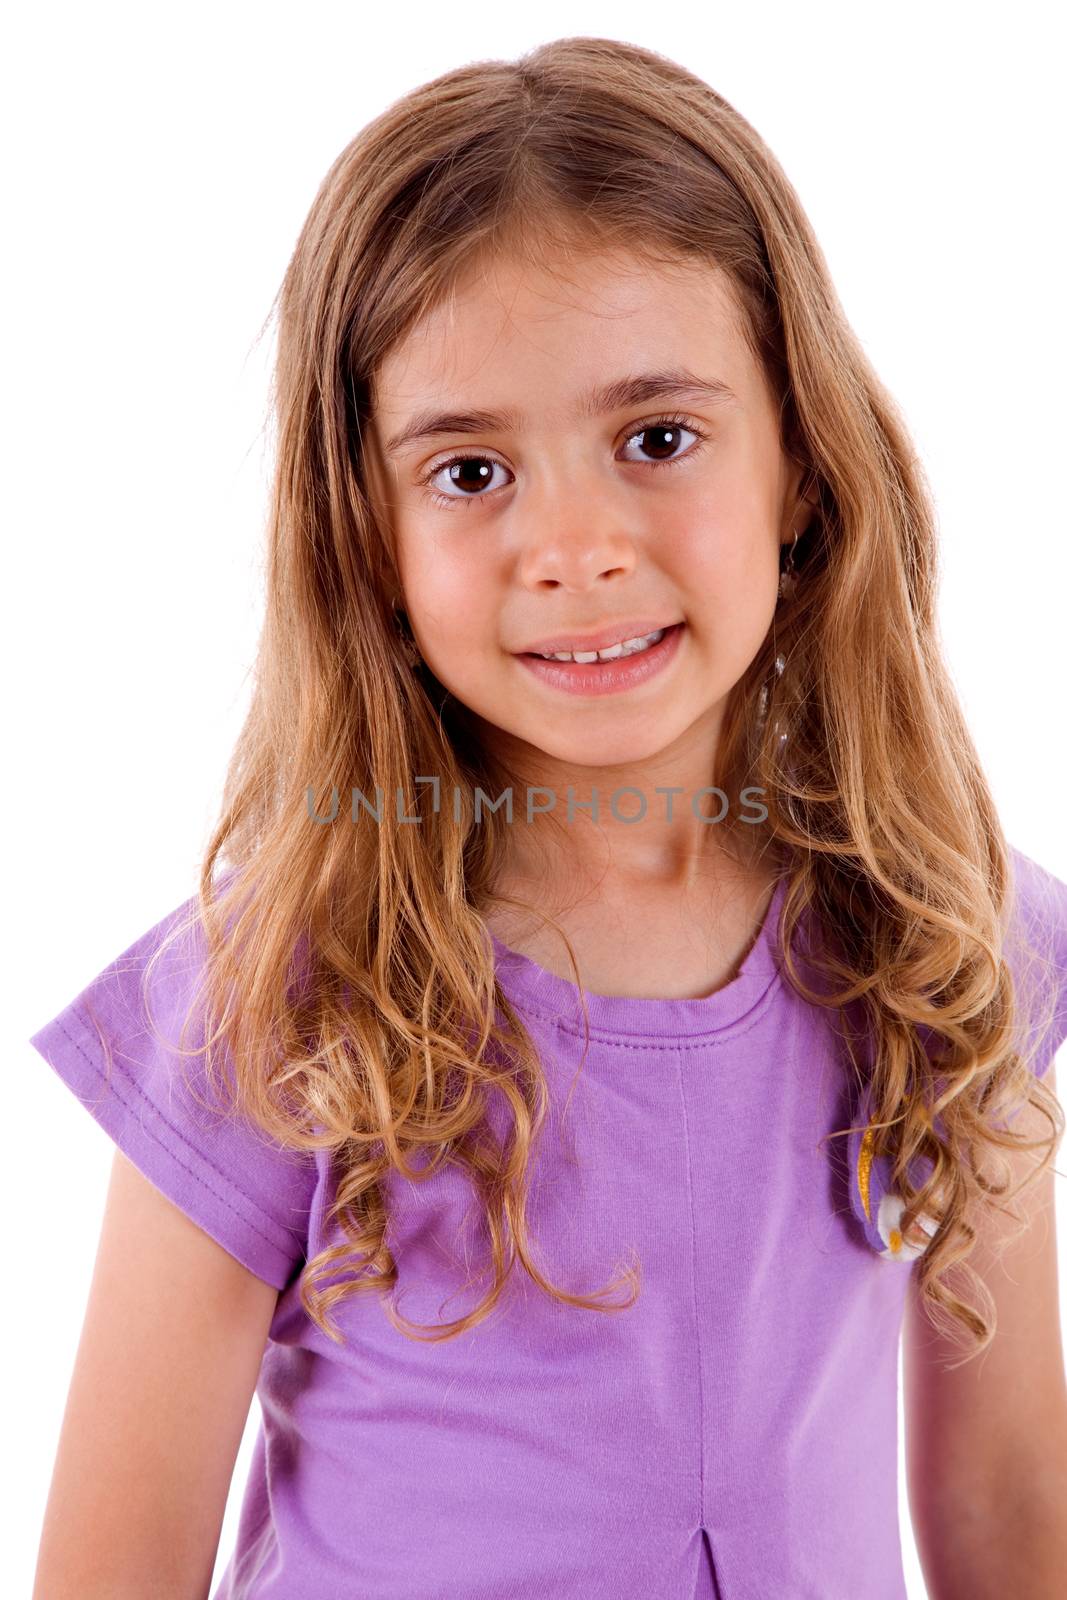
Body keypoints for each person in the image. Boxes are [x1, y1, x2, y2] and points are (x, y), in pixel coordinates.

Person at [29, 35, 1067, 1600]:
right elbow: (113, 1568)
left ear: (800, 463)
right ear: (365, 535)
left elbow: (1006, 1502)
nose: (573, 547)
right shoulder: (271, 997)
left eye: (658, 439)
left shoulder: (937, 932)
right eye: (468, 471)